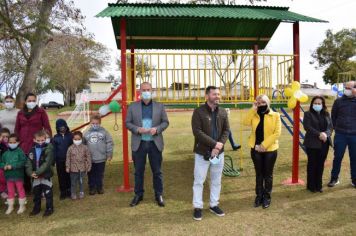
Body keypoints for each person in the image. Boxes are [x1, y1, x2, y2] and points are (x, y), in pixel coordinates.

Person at [126, 82, 169, 207]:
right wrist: (137, 129)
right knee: (138, 171)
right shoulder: (132, 107)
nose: (146, 91)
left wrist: (157, 129)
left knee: (157, 171)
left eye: (148, 89)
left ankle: (158, 194)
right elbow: (127, 123)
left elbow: (165, 122)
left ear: (151, 91)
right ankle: (138, 194)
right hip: (139, 144)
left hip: (155, 143)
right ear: (139, 92)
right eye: (143, 89)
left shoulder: (159, 106)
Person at [191, 86, 230, 221]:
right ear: (207, 95)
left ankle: (214, 205)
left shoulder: (223, 112)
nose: (217, 96)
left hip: (219, 153)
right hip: (202, 152)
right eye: (214, 94)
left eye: (218, 94)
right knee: (199, 181)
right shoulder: (198, 112)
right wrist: (215, 144)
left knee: (216, 180)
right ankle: (197, 207)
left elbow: (226, 131)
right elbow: (197, 132)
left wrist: (218, 147)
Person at [243, 94, 281, 209]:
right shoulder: (254, 115)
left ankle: (267, 197)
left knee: (268, 175)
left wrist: (264, 145)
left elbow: (277, 133)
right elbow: (245, 122)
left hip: (270, 149)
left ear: (268, 103)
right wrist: (252, 109)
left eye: (263, 102)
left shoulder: (275, 115)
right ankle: (259, 196)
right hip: (255, 149)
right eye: (258, 103)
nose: (261, 105)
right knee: (259, 174)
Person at [15, 92, 52, 192]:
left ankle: (40, 187)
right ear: (25, 102)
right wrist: (16, 141)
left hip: (37, 143)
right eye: (29, 100)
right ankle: (27, 188)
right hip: (23, 144)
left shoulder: (41, 112)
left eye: (33, 100)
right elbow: (17, 129)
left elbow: (47, 127)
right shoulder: (20, 113)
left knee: (37, 164)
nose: (31, 102)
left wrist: (48, 139)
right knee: (25, 164)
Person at [328, 81, 356, 188]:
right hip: (340, 135)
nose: (347, 90)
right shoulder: (338, 102)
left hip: (354, 135)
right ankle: (334, 178)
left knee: (354, 158)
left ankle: (354, 179)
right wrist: (337, 128)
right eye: (346, 87)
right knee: (337, 157)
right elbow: (333, 117)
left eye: (349, 88)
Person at [303, 96, 333, 193]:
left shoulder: (326, 114)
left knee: (320, 164)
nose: (317, 105)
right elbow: (307, 127)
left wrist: (326, 134)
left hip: (324, 143)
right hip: (312, 143)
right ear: (312, 104)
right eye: (315, 103)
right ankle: (311, 186)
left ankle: (318, 185)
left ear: (323, 104)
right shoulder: (308, 114)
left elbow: (330, 127)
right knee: (312, 164)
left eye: (319, 103)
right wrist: (319, 134)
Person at [25, 130, 54, 217]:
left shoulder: (48, 149)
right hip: (35, 177)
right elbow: (28, 163)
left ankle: (49, 208)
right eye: (38, 140)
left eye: (42, 140)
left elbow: (47, 163)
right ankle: (36, 208)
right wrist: (30, 173)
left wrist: (36, 172)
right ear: (34, 140)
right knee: (36, 194)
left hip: (45, 176)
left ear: (45, 139)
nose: (40, 142)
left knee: (48, 193)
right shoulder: (31, 150)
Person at [84, 114, 113, 195]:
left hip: (101, 158)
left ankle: (99, 187)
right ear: (90, 123)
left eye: (97, 123)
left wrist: (109, 154)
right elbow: (83, 145)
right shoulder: (86, 133)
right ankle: (92, 188)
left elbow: (109, 142)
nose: (95, 125)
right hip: (90, 159)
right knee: (91, 174)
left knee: (100, 174)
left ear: (100, 123)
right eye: (93, 123)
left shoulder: (104, 132)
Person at [0, 134, 27, 214]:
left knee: (20, 189)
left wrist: (12, 166)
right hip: (8, 176)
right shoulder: (5, 154)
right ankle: (10, 206)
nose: (12, 144)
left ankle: (22, 206)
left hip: (18, 175)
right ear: (8, 143)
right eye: (10, 142)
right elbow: (1, 162)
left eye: (14, 142)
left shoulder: (20, 152)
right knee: (10, 191)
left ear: (18, 142)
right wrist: (3, 166)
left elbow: (23, 162)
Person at [66, 131, 91, 200]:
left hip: (82, 168)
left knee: (81, 181)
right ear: (73, 139)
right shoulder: (70, 148)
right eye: (75, 139)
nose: (77, 141)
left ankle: (81, 192)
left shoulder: (85, 147)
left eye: (79, 139)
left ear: (82, 139)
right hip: (73, 169)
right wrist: (67, 167)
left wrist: (89, 166)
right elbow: (68, 158)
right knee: (73, 182)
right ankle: (73, 193)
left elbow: (88, 157)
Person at [53, 119, 73, 200]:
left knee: (69, 176)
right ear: (57, 128)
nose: (62, 129)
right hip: (59, 161)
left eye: (63, 127)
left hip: (69, 160)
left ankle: (69, 190)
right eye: (60, 127)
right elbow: (54, 150)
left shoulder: (71, 136)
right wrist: (54, 160)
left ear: (66, 126)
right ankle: (63, 192)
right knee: (61, 176)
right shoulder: (55, 138)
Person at [0, 128, 11, 200]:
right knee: (2, 178)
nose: (5, 138)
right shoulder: (1, 145)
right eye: (3, 137)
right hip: (1, 164)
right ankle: (2, 191)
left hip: (8, 164)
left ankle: (7, 190)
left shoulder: (10, 144)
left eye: (7, 137)